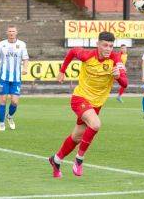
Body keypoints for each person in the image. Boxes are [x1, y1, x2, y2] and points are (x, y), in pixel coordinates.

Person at [48, 31, 128, 178]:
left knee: (76, 137)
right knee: (96, 124)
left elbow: (125, 83)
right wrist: (62, 71)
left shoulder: (116, 60)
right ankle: (79, 160)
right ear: (97, 44)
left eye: (111, 46)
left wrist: (118, 77)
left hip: (96, 104)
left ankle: (56, 160)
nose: (108, 49)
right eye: (105, 45)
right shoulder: (87, 55)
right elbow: (72, 51)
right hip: (80, 98)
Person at [0, 25, 29, 131]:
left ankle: (10, 117)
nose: (11, 33)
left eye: (13, 31)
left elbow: (25, 59)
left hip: (16, 78)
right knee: (3, 99)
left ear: (16, 32)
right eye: (10, 31)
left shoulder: (21, 44)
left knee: (15, 102)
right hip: (4, 77)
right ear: (7, 32)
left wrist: (25, 68)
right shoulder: (2, 44)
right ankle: (2, 123)